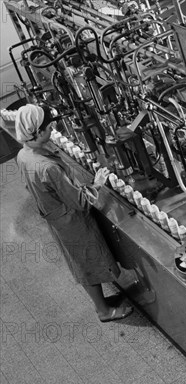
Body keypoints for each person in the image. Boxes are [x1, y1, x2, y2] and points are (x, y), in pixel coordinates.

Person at [15, 103, 132, 322]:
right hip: (71, 220)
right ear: (37, 132)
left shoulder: (24, 154)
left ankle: (102, 303)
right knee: (86, 263)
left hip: (55, 216)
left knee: (80, 261)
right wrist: (96, 184)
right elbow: (81, 202)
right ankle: (103, 311)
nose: (52, 131)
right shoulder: (47, 167)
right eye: (48, 128)